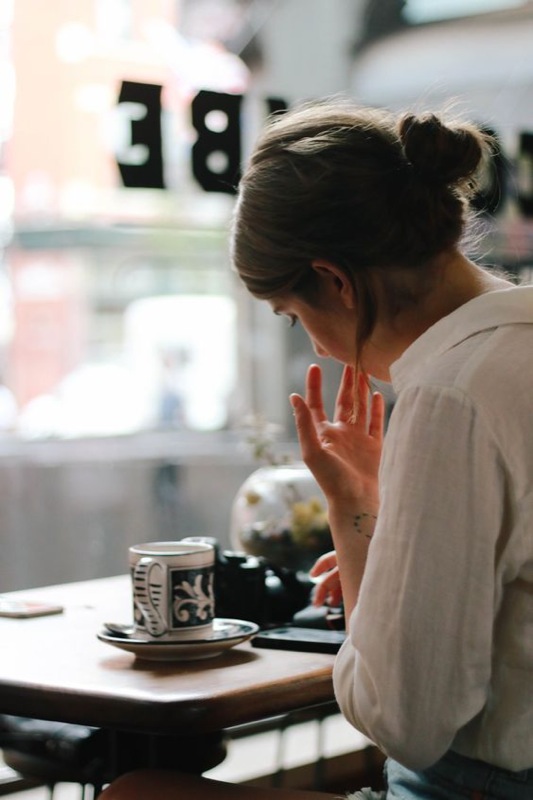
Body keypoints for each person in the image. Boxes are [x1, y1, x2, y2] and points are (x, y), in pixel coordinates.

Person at [101, 99, 533, 799]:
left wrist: (352, 512)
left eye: (294, 314)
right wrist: (367, 514)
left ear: (334, 281)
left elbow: (406, 719)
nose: (315, 345)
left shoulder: (455, 395)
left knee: (135, 793)